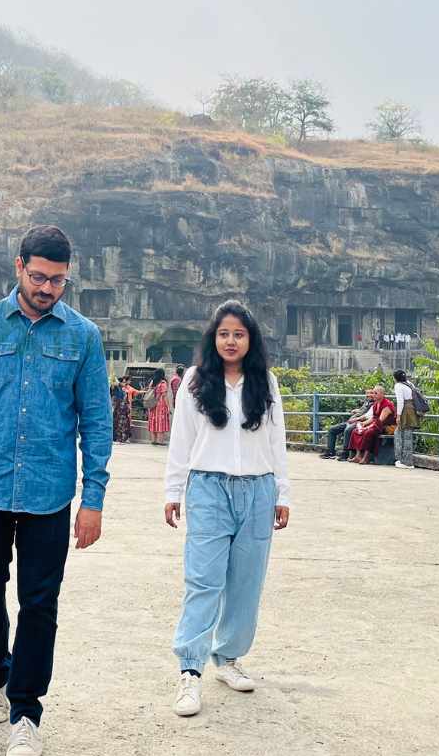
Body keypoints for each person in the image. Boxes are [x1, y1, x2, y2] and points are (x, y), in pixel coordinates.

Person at [0, 225, 110, 756]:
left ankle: (26, 711)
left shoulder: (83, 337)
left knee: (40, 604)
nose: (47, 288)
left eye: (58, 281)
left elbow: (96, 423)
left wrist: (93, 499)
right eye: (39, 277)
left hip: (50, 494)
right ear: (18, 267)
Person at [164, 300, 289, 718]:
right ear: (212, 338)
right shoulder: (196, 382)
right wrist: (173, 491)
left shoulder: (265, 382)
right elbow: (180, 440)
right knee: (203, 579)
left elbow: (277, 442)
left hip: (258, 489)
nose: (230, 341)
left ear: (250, 340)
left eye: (238, 334)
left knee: (246, 581)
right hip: (209, 488)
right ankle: (190, 671)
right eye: (223, 334)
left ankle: (229, 657)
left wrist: (282, 494)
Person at [348, 387, 395, 464]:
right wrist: (363, 423)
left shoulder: (387, 405)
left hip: (386, 427)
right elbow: (373, 418)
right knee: (355, 431)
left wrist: (368, 427)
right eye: (373, 393)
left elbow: (380, 420)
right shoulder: (376, 404)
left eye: (376, 393)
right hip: (376, 424)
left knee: (368, 432)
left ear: (382, 394)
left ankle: (366, 457)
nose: (373, 395)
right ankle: (358, 456)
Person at [321, 393, 371, 460]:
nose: (368, 395)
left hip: (359, 422)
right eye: (367, 394)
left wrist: (356, 417)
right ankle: (330, 452)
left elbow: (366, 415)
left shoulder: (374, 404)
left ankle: (345, 453)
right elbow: (362, 410)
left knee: (347, 430)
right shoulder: (367, 402)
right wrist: (357, 410)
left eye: (370, 393)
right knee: (332, 430)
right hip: (350, 421)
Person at [392, 370, 420, 469]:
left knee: (399, 434)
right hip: (412, 409)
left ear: (395, 378)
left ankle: (402, 460)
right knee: (408, 435)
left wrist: (398, 416)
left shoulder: (398, 386)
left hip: (405, 410)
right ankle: (408, 461)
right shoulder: (409, 383)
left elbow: (400, 402)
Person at [146, 369, 172, 446]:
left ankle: (153, 440)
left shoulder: (152, 382)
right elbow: (164, 396)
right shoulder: (163, 383)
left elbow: (149, 392)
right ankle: (160, 441)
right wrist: (168, 407)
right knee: (161, 422)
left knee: (153, 421)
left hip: (152, 404)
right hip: (160, 405)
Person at [111, 377, 134, 444]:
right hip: (118, 410)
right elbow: (115, 399)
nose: (124, 383)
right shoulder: (116, 389)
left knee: (123, 425)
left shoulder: (122, 390)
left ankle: (122, 439)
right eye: (123, 382)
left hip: (123, 410)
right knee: (118, 424)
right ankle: (117, 439)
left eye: (124, 382)